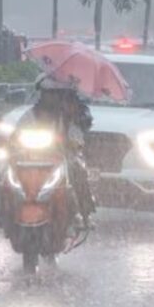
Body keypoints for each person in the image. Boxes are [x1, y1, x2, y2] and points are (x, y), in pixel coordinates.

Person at [23, 77, 96, 229]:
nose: (51, 98)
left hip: (62, 156)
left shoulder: (71, 114)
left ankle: (83, 213)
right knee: (6, 174)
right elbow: (17, 133)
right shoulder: (31, 115)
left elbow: (80, 131)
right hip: (30, 157)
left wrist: (74, 139)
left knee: (77, 170)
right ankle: (4, 214)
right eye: (48, 93)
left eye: (56, 93)